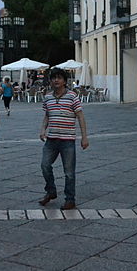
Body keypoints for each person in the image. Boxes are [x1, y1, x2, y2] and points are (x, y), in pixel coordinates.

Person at [38, 67, 89, 211]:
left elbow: (80, 116)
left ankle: (70, 199)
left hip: (67, 140)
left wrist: (84, 137)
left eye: (59, 78)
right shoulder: (47, 97)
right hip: (51, 139)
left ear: (65, 81)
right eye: (54, 78)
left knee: (69, 172)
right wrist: (43, 130)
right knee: (45, 166)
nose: (56, 80)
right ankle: (51, 191)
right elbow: (47, 115)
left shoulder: (72, 96)